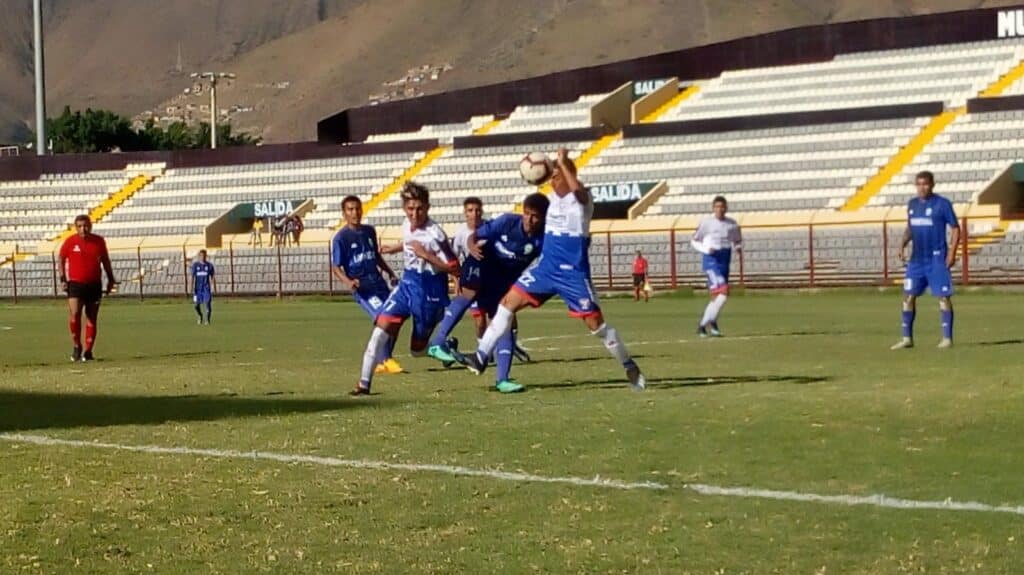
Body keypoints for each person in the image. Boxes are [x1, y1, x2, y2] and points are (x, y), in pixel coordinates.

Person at [458, 148, 646, 391]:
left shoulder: (583, 201)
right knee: (507, 303)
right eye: (552, 176)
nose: (553, 180)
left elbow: (577, 191)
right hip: (545, 269)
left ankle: (628, 364)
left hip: (572, 274)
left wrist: (562, 164)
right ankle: (482, 354)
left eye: (557, 177)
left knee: (597, 326)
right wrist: (551, 167)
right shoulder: (552, 201)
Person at [430, 193, 548, 392]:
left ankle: (503, 379)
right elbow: (473, 236)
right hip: (482, 261)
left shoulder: (544, 238)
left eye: (535, 216)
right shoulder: (506, 222)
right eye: (527, 214)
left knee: (505, 320)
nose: (529, 219)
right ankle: (438, 342)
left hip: (503, 278)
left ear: (544, 217)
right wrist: (471, 246)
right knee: (469, 292)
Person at [352, 182, 459, 396]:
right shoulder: (405, 223)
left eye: (419, 209)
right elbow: (411, 241)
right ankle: (364, 384)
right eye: (410, 209)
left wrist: (427, 256)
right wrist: (395, 248)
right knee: (379, 331)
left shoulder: (435, 234)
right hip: (407, 284)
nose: (414, 213)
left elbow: (455, 268)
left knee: (417, 351)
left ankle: (445, 345)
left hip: (430, 291)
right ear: (404, 208)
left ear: (427, 208)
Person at [331, 195, 402, 374]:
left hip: (378, 283)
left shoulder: (369, 231)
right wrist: (348, 282)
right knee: (383, 317)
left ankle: (383, 360)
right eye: (350, 209)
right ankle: (386, 359)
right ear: (344, 213)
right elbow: (335, 267)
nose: (355, 213)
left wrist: (390, 272)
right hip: (363, 288)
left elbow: (376, 256)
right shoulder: (341, 238)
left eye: (357, 208)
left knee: (396, 317)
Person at [891, 171, 960, 350]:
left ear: (932, 185)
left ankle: (947, 338)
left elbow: (955, 228)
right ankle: (907, 338)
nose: (922, 187)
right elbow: (910, 228)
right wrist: (902, 244)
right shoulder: (912, 205)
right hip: (916, 260)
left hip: (936, 258)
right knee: (908, 296)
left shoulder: (942, 204)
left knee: (943, 297)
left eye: (925, 184)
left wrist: (952, 252)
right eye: (919, 184)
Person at [58, 214, 118, 362]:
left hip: (94, 284)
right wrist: (62, 278)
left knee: (91, 318)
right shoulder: (70, 242)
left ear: (90, 226)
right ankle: (77, 346)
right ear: (75, 227)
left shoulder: (98, 241)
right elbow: (61, 258)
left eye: (85, 226)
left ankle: (88, 351)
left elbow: (105, 261)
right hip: (76, 284)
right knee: (75, 314)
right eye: (79, 226)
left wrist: (111, 279)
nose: (83, 229)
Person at [691, 196, 742, 337]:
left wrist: (738, 247)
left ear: (726, 208)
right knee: (724, 293)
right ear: (713, 208)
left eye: (722, 206)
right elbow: (694, 241)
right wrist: (706, 250)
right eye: (717, 207)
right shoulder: (707, 223)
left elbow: (737, 240)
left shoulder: (732, 224)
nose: (720, 209)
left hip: (725, 259)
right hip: (711, 260)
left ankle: (712, 322)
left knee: (716, 297)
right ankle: (702, 325)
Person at [190, 249, 216, 325]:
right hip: (197, 289)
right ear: (199, 256)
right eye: (201, 256)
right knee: (196, 305)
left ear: (206, 256)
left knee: (207, 303)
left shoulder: (209, 265)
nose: (203, 257)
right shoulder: (195, 265)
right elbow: (192, 277)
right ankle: (200, 315)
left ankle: (207, 320)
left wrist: (213, 286)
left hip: (206, 288)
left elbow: (212, 276)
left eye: (204, 256)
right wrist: (190, 287)